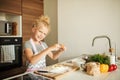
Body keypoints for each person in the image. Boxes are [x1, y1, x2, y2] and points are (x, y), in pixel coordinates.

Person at [23, 15, 66, 80]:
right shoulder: (28, 44)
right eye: (40, 31)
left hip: (42, 74)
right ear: (34, 29)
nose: (41, 35)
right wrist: (49, 48)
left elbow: (53, 57)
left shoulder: (43, 44)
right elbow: (32, 61)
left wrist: (60, 51)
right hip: (31, 75)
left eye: (44, 34)